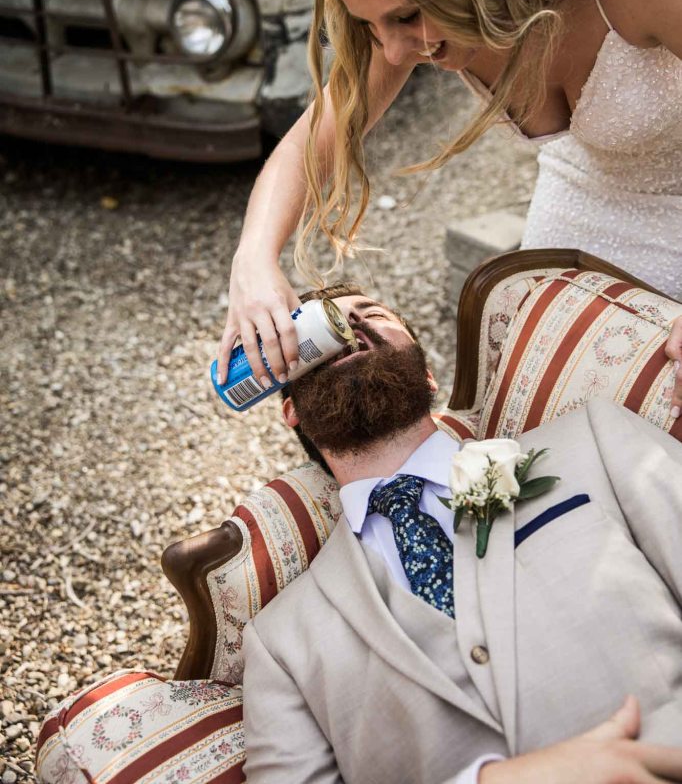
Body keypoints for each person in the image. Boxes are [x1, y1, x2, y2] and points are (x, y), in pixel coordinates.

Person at [216, 0, 682, 415]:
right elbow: (314, 139)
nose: (390, 52)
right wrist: (253, 260)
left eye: (407, 16)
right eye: (368, 24)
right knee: (528, 408)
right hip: (584, 194)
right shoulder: (397, 25)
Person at [242, 283, 682, 784]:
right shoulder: (277, 643)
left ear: (428, 377)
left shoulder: (596, 440)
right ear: (291, 410)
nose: (348, 329)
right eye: (313, 333)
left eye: (370, 314)